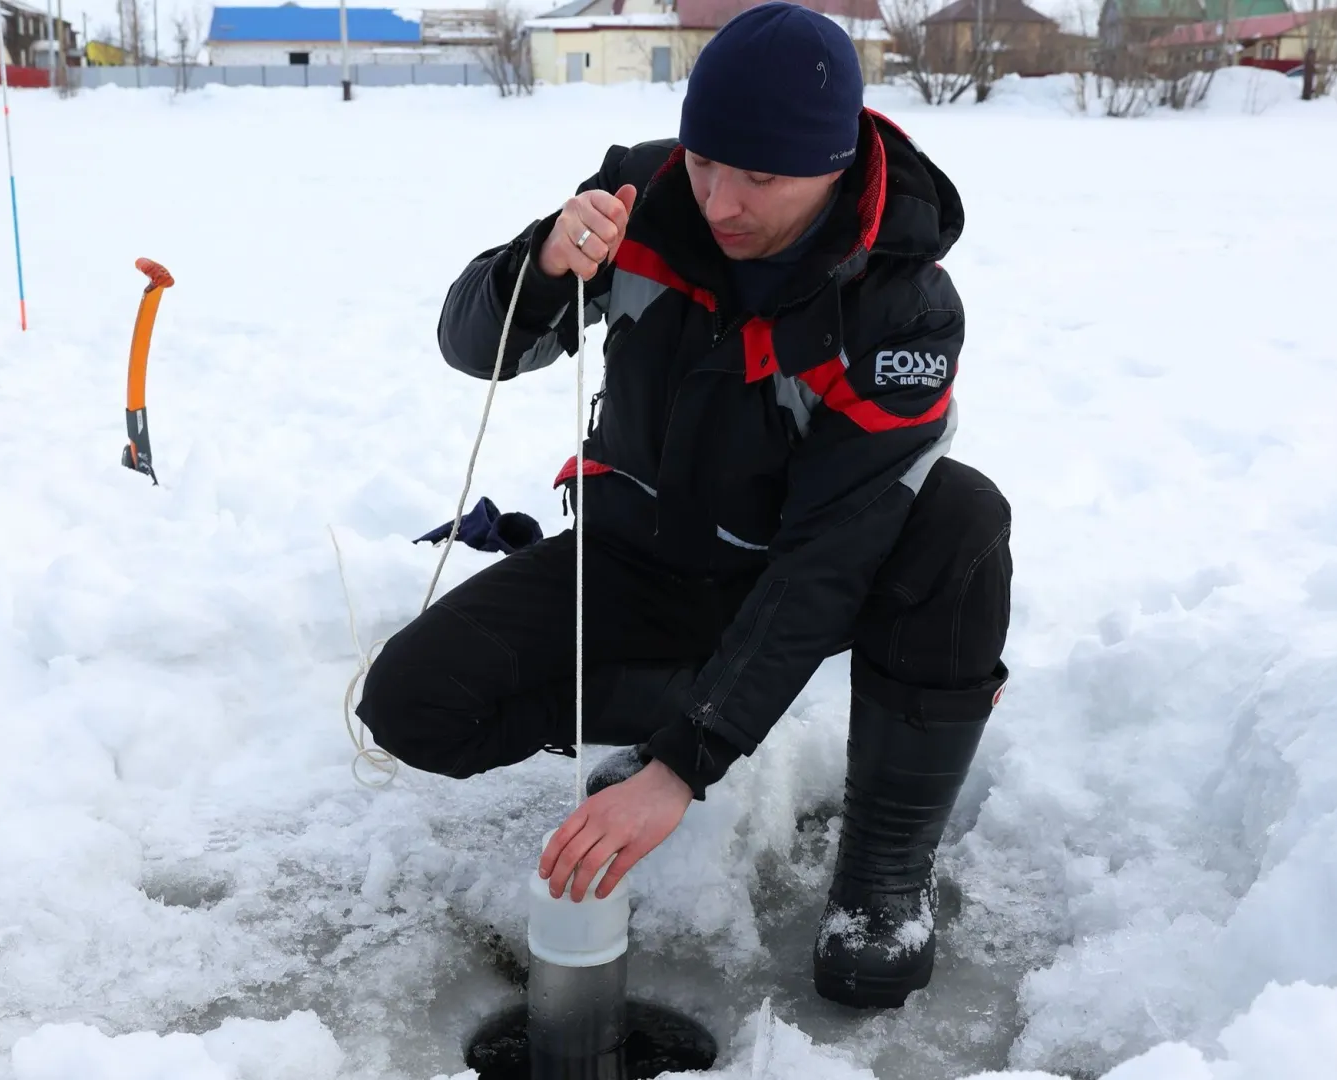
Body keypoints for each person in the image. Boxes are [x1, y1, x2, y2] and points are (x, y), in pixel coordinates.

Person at [356, 0, 1012, 1010]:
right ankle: (692, 707)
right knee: (409, 704)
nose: (721, 201)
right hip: (635, 557)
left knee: (962, 519)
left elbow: (829, 560)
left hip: (792, 581)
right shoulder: (643, 195)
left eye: (762, 177)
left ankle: (882, 873)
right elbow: (469, 346)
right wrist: (539, 266)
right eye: (708, 161)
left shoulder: (901, 306)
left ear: (834, 165)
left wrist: (682, 769)